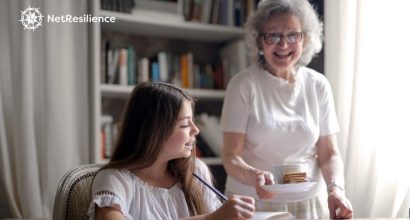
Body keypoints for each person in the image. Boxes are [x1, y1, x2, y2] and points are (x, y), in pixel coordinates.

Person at [220, 0, 353, 219]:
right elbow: (230, 155)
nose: (283, 45)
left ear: (306, 38)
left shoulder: (318, 85)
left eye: (293, 35)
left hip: (310, 201)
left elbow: (329, 154)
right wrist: (253, 175)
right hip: (252, 202)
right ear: (259, 39)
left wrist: (336, 189)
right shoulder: (242, 85)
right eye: (273, 35)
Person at [87, 82, 255, 220]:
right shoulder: (114, 180)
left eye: (193, 121)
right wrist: (211, 219)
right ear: (154, 131)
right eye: (184, 124)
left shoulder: (196, 172)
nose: (196, 130)